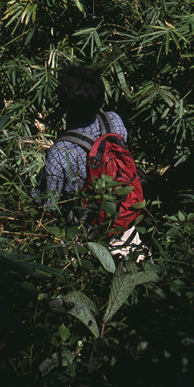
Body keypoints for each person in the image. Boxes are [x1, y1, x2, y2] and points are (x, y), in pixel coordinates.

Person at [36, 65, 144, 259]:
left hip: (87, 235)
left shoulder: (59, 152)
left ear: (66, 107)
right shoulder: (114, 121)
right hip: (124, 218)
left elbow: (49, 208)